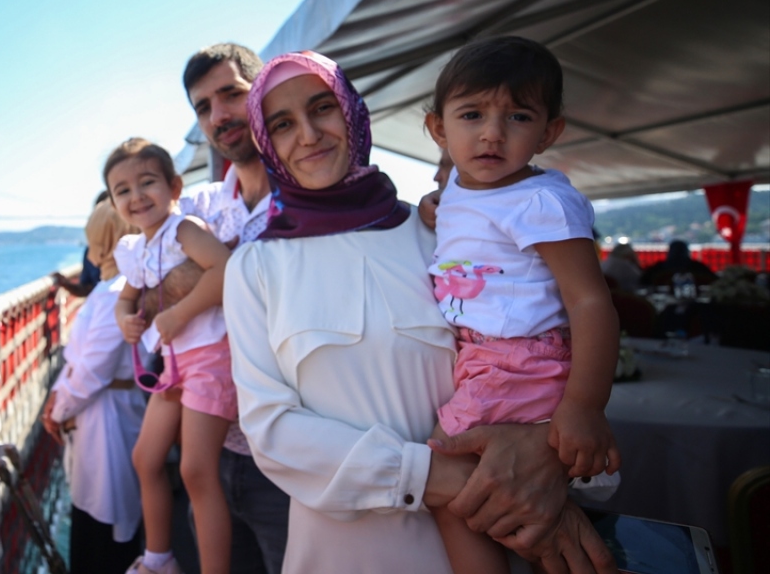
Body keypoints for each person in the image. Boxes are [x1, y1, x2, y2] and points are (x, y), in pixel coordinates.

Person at [224, 50, 616, 574]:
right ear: (266, 142)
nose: (309, 135)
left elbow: (551, 341)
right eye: (283, 124)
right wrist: (437, 476)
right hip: (346, 552)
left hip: (494, 525)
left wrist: (542, 453)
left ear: (353, 113)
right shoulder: (254, 266)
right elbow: (270, 430)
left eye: (322, 108)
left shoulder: (441, 232)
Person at [422, 37, 621, 574]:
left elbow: (590, 301)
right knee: (509, 506)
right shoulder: (459, 185)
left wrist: (585, 406)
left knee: (450, 481)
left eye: (518, 116)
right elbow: (454, 209)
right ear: (438, 128)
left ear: (548, 132)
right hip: (484, 360)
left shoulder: (541, 202)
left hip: (517, 362)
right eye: (472, 114)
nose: (492, 132)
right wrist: (431, 206)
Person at [176, 43, 290, 574]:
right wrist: (218, 274)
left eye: (231, 95)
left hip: (290, 455)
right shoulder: (198, 205)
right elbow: (151, 291)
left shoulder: (310, 197)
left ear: (262, 92)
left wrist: (209, 268)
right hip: (217, 448)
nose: (218, 115)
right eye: (203, 107)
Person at [106, 138, 236, 574]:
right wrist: (126, 321)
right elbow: (125, 301)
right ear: (113, 202)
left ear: (174, 187)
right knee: (145, 459)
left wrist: (180, 313)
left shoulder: (184, 231)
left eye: (147, 182)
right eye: (123, 190)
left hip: (211, 358)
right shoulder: (137, 250)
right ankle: (159, 558)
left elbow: (225, 268)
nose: (137, 196)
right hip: (176, 366)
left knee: (197, 472)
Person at [43, 194, 143, 573]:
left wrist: (57, 408)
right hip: (106, 413)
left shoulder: (117, 292)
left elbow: (92, 370)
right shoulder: (115, 287)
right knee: (101, 514)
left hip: (108, 419)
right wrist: (59, 398)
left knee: (104, 525)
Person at [640, 239, 718, 288]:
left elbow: (642, 281)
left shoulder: (658, 268)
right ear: (687, 252)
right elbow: (715, 280)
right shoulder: (697, 267)